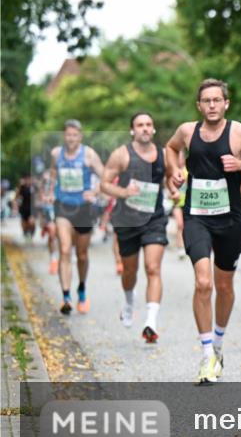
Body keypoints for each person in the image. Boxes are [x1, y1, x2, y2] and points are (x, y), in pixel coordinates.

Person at [165, 79, 241, 384]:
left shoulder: (239, 133)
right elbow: (170, 148)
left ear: (226, 103)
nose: (212, 105)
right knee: (203, 282)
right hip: (196, 217)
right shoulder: (188, 131)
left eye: (216, 100)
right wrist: (174, 171)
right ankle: (207, 353)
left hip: (229, 220)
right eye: (206, 101)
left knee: (224, 286)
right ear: (199, 106)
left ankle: (219, 344)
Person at [101, 112, 169, 344]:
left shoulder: (164, 154)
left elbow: (171, 178)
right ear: (132, 130)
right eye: (140, 125)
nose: (145, 128)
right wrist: (123, 192)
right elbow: (104, 184)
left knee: (153, 268)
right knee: (130, 272)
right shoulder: (121, 155)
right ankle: (129, 302)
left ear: (153, 129)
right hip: (127, 220)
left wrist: (175, 188)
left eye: (149, 124)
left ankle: (151, 322)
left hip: (154, 219)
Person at [47, 119, 105, 315]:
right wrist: (50, 191)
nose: (71, 138)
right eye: (68, 135)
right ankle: (66, 297)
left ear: (80, 136)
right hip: (62, 207)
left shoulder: (89, 154)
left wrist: (94, 192)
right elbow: (53, 174)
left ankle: (81, 287)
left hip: (83, 209)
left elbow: (106, 176)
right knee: (64, 249)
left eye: (74, 135)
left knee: (82, 255)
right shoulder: (56, 154)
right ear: (64, 136)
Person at [171, 165, 188, 259]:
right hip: (177, 204)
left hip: (187, 203)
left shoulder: (188, 169)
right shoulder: (173, 169)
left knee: (187, 226)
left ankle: (186, 245)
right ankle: (180, 248)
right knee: (180, 225)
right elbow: (169, 185)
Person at [15, 176, 35, 242]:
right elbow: (17, 196)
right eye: (27, 179)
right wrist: (20, 185)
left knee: (31, 222)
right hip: (24, 208)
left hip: (32, 208)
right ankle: (25, 233)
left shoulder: (34, 187)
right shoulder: (22, 188)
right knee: (24, 223)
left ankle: (31, 234)